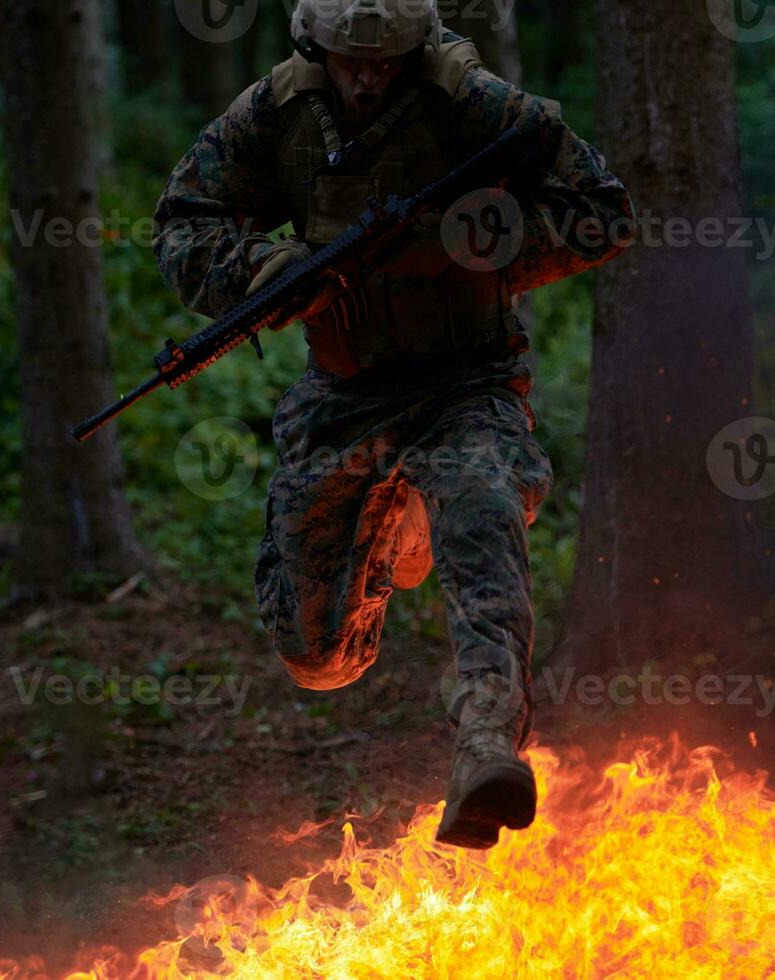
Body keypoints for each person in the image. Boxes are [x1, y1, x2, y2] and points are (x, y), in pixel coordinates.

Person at [152, 0, 631, 848]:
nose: (368, 76)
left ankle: (487, 741)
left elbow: (602, 212)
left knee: (482, 506)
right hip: (345, 394)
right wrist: (269, 270)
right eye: (350, 61)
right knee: (318, 657)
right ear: (317, 47)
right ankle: (398, 530)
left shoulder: (473, 102)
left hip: (466, 381)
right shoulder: (275, 110)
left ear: (414, 51)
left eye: (386, 62)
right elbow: (185, 224)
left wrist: (475, 248)